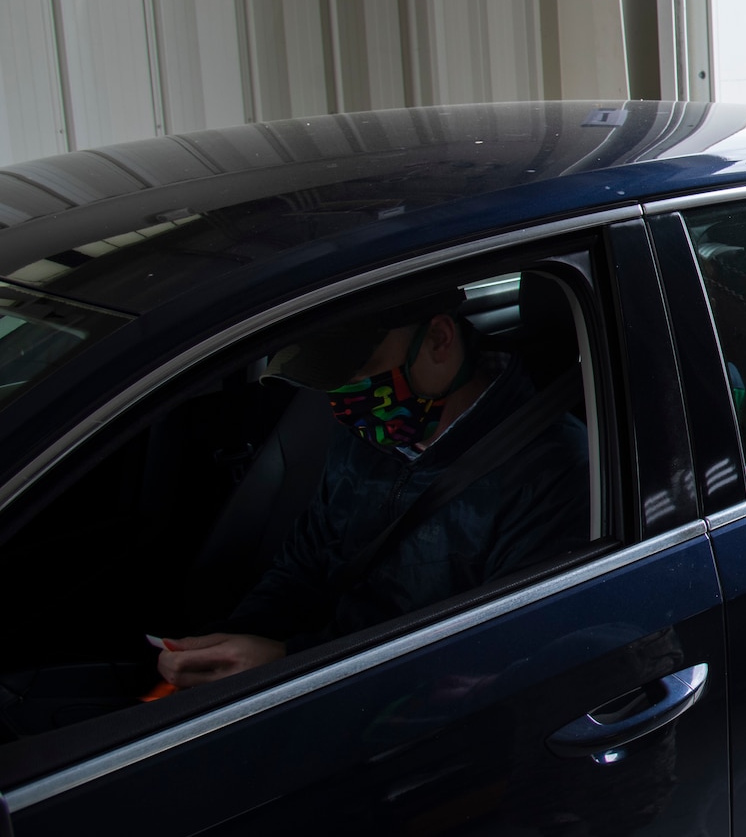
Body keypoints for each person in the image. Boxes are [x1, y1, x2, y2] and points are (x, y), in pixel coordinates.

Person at [157, 291, 590, 689]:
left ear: (439, 339)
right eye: (333, 385)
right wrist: (240, 641)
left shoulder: (554, 476)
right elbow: (304, 562)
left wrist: (290, 665)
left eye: (358, 373)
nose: (345, 402)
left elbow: (491, 662)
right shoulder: (368, 435)